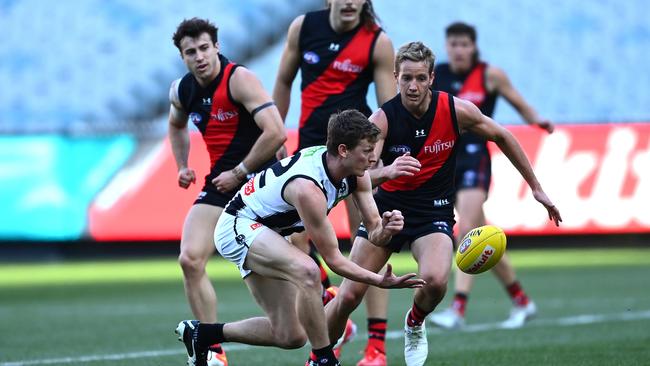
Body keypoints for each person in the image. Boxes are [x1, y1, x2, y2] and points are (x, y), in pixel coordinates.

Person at [323, 41, 562, 366]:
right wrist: (389, 171)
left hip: (433, 211)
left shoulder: (455, 111)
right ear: (396, 77)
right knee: (349, 295)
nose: (413, 86)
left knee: (435, 282)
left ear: (432, 77)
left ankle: (415, 322)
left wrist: (536, 188)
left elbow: (503, 135)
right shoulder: (382, 119)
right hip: (387, 213)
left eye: (420, 78)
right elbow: (362, 174)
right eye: (406, 77)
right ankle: (321, 355)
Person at [174, 110, 426, 366]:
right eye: (367, 150)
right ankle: (323, 358)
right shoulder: (308, 188)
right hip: (237, 225)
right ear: (343, 150)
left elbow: (374, 233)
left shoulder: (354, 173)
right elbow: (334, 261)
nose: (374, 158)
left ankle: (202, 335)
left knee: (290, 335)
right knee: (308, 271)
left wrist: (387, 228)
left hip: (267, 232)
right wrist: (378, 280)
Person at [273, 1, 395, 363]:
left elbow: (389, 109)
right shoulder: (303, 28)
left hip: (355, 157)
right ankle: (331, 302)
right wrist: (277, 134)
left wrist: (374, 158)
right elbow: (282, 81)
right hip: (308, 157)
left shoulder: (377, 41)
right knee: (295, 240)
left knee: (370, 246)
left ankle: (376, 348)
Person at [169, 17, 287, 366]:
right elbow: (175, 125)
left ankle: (327, 308)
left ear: (217, 47)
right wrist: (181, 164)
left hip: (263, 184)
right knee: (190, 259)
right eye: (191, 52)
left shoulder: (240, 79)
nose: (199, 56)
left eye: (204, 48)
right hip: (221, 185)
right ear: (183, 57)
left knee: (295, 261)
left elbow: (277, 132)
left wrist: (240, 171)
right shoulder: (182, 90)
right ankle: (211, 349)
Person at [427, 22, 556, 330]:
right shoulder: (438, 75)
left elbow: (518, 102)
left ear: (474, 47)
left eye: (463, 44)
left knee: (468, 230)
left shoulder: (490, 75)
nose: (458, 50)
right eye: (453, 44)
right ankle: (522, 301)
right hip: (446, 160)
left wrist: (538, 120)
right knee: (485, 240)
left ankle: (458, 309)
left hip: (475, 160)